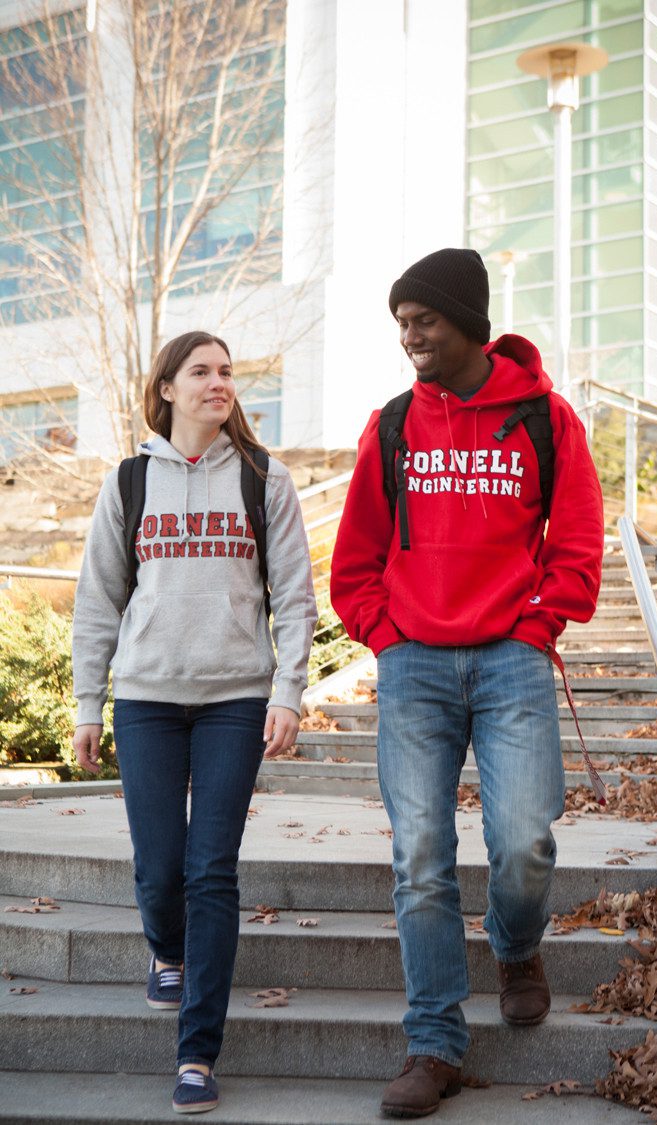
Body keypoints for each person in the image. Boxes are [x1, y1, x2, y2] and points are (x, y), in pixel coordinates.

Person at [331, 248, 603, 1119]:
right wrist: (384, 635)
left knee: (523, 840)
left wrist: (538, 622)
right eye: (401, 323)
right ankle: (434, 1042)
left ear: (469, 324)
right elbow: (355, 557)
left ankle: (516, 945)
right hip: (414, 662)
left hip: (512, 657)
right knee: (420, 856)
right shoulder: (393, 425)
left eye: (425, 320)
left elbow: (578, 538)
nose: (409, 336)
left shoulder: (543, 418)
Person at [72, 330, 317, 1115]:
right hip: (146, 698)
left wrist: (287, 692)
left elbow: (295, 595)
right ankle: (166, 948)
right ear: (168, 388)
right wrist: (87, 703)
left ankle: (197, 1053)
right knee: (158, 867)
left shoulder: (262, 478)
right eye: (202, 371)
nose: (220, 382)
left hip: (234, 699)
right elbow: (97, 600)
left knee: (210, 869)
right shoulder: (130, 480)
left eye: (227, 372)